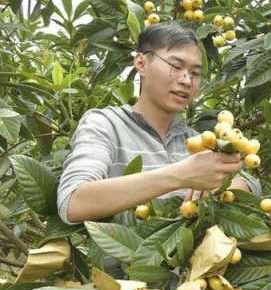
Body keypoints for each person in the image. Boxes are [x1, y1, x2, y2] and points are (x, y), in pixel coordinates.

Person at [57, 23, 259, 227]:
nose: (187, 80)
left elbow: (251, 184)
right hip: (131, 255)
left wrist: (224, 185)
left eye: (195, 73)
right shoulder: (105, 124)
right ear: (141, 63)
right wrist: (181, 176)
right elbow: (73, 202)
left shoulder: (198, 141)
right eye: (176, 66)